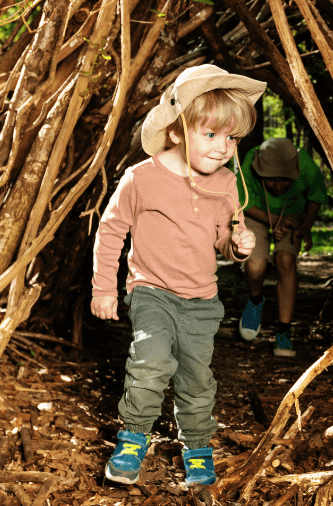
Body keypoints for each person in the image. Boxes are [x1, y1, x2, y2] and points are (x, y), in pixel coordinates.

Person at [90, 64, 265, 488]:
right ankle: (132, 439)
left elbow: (224, 237)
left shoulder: (225, 183)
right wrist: (103, 289)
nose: (224, 147)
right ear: (175, 131)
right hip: (152, 291)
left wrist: (237, 246)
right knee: (151, 361)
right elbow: (111, 229)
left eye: (233, 138)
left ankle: (197, 448)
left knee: (197, 377)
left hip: (203, 299)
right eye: (211, 135)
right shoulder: (141, 178)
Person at [236, 137, 329, 357]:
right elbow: (244, 202)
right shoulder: (250, 162)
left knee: (286, 260)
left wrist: (305, 226)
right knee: (255, 266)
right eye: (271, 180)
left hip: (293, 213)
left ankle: (284, 332)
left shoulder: (306, 164)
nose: (278, 186)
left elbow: (315, 198)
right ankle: (256, 300)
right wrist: (275, 221)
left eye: (284, 180)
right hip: (257, 212)